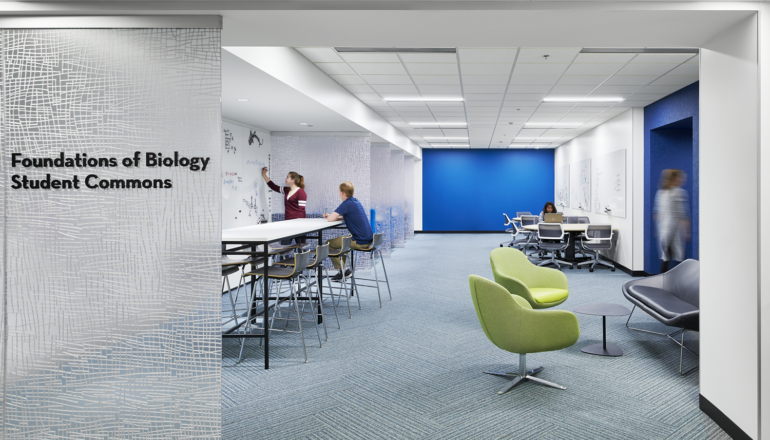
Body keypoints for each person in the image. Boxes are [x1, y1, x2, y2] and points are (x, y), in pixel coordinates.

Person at [323, 181, 373, 281]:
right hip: (368, 239)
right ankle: (343, 271)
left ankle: (344, 271)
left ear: (342, 193)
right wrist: (335, 217)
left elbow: (330, 219)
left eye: (339, 191)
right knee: (344, 244)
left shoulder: (346, 203)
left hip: (360, 241)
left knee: (328, 244)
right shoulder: (355, 201)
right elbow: (345, 216)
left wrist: (331, 216)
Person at [654, 169, 690, 273]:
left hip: (664, 228)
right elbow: (682, 214)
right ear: (675, 178)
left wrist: (657, 228)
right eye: (681, 177)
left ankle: (664, 280)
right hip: (673, 229)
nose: (683, 179)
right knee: (674, 256)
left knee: (667, 256)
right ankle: (672, 281)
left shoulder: (661, 192)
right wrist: (686, 231)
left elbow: (657, 213)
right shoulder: (679, 192)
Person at [262, 167, 307, 245]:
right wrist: (264, 175)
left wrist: (299, 225)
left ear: (293, 180)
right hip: (287, 224)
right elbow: (274, 187)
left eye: (287, 177)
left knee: (301, 249)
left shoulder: (301, 192)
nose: (285, 178)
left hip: (299, 226)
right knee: (284, 247)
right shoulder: (287, 190)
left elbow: (301, 210)